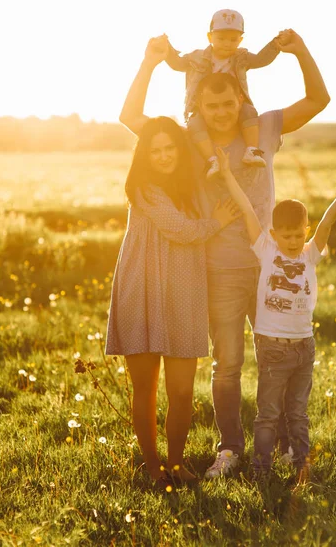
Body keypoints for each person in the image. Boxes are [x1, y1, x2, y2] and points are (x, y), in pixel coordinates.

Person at [119, 27, 331, 480]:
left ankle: (292, 447)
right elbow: (132, 117)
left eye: (227, 103)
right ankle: (231, 449)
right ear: (200, 104)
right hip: (217, 271)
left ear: (241, 100)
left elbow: (317, 101)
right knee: (228, 366)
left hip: (271, 267)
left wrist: (301, 51)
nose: (219, 113)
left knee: (287, 356)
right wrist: (150, 62)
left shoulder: (266, 126)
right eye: (210, 105)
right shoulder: (188, 140)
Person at [105, 113, 239, 485]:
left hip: (183, 295)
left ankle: (178, 465)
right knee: (145, 389)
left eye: (169, 148)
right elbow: (179, 229)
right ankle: (153, 468)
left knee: (181, 392)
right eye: (155, 150)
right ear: (144, 154)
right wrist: (216, 223)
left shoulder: (192, 185)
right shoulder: (143, 187)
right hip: (142, 292)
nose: (164, 156)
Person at [216, 145, 336, 480]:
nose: (294, 241)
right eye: (287, 235)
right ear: (273, 233)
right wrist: (226, 173)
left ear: (306, 231)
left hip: (303, 347)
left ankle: (300, 468)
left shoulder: (311, 254)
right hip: (272, 346)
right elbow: (246, 208)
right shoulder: (265, 249)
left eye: (299, 234)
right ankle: (261, 469)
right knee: (267, 414)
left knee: (298, 413)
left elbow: (328, 221)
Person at [165, 9, 280, 178]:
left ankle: (251, 150)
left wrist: (275, 44)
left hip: (234, 105)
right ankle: (212, 160)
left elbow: (261, 60)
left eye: (233, 39)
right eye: (221, 39)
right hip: (203, 106)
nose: (227, 44)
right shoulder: (196, 57)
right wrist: (166, 47)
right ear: (210, 37)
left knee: (249, 112)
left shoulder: (242, 57)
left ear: (240, 40)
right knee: (195, 124)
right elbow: (177, 64)